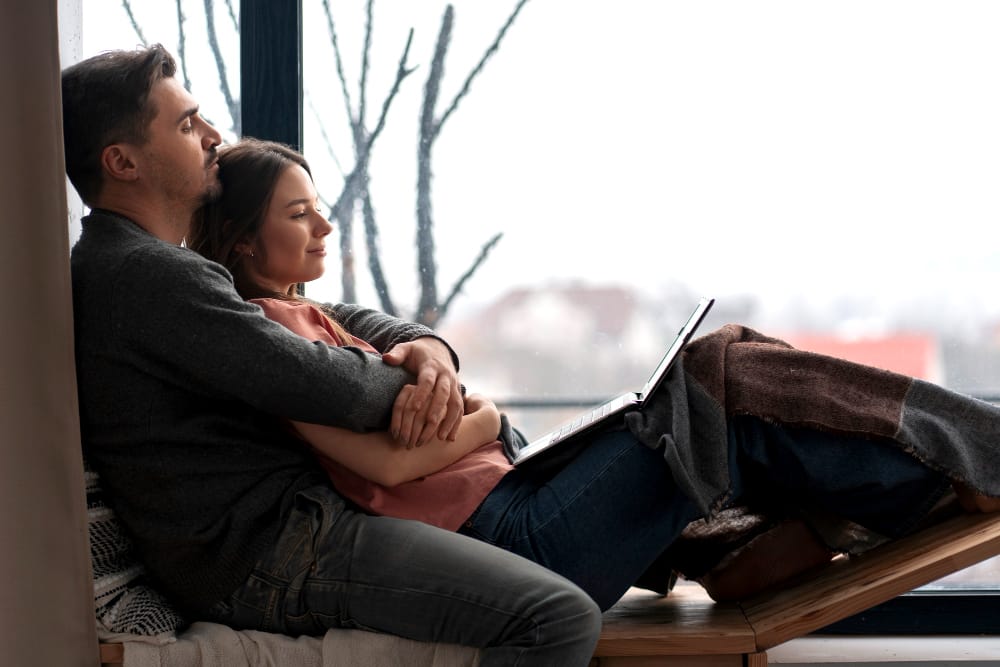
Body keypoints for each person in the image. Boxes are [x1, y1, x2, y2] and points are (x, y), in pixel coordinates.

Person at [189, 137, 1000, 611]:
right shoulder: (268, 336)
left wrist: (466, 404)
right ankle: (963, 457)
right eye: (298, 213)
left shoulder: (320, 320)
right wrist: (482, 416)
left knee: (726, 372)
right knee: (715, 372)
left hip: (519, 496)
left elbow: (422, 415)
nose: (325, 224)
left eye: (319, 204)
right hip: (511, 538)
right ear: (244, 240)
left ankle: (748, 543)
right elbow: (385, 468)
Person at [63, 44, 604, 666]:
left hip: (280, 538)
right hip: (272, 553)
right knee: (558, 617)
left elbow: (332, 319)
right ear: (122, 161)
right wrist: (439, 393)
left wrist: (428, 352)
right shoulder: (146, 276)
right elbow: (328, 385)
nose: (213, 136)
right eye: (187, 125)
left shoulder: (138, 268)